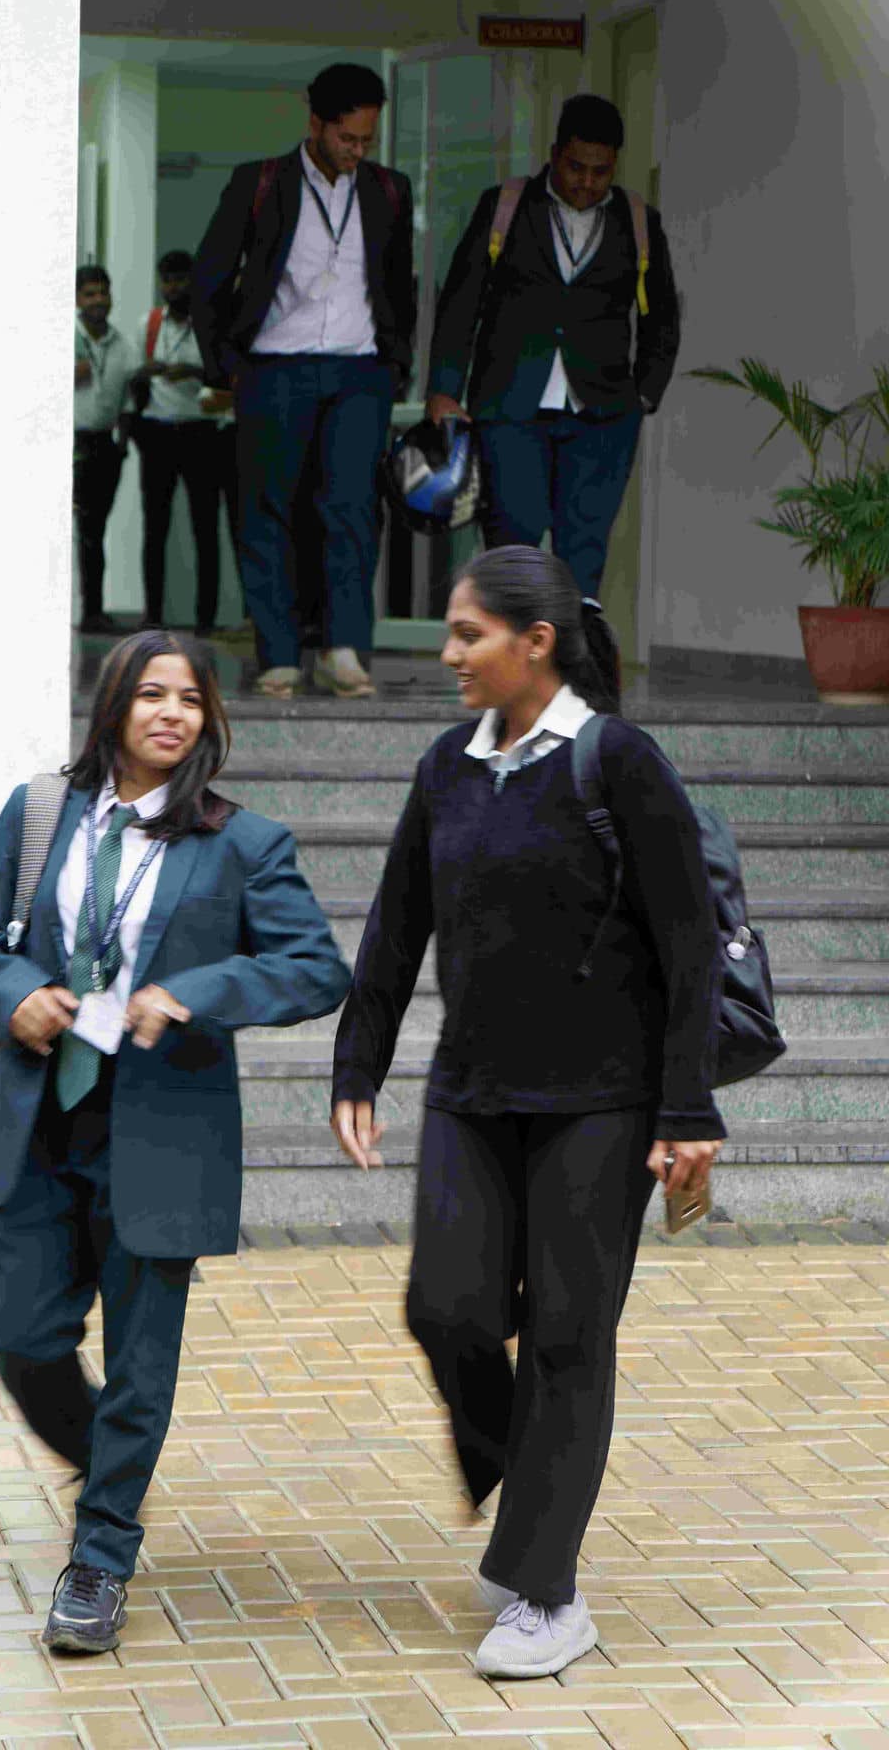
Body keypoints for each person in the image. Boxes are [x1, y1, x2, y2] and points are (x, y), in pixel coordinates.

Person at [330, 546, 723, 1680]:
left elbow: (690, 943)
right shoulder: (448, 767)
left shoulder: (618, 761)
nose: (449, 655)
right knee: (446, 1307)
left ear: (535, 642)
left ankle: (546, 1590)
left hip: (604, 1102)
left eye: (469, 635)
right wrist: (359, 1062)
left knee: (566, 1335)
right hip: (472, 1089)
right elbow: (397, 925)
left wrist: (687, 1106)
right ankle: (532, 1487)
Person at [0, 631, 349, 1655]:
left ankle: (99, 1560)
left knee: (140, 1365)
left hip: (165, 1130)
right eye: (152, 694)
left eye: (191, 699)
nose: (172, 713)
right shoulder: (40, 814)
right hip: (41, 1118)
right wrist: (15, 992)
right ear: (115, 706)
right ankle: (111, 1473)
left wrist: (196, 991)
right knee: (23, 1333)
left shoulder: (244, 843)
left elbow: (316, 969)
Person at [192, 63, 415, 699]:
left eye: (367, 139)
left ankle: (343, 649)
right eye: (347, 137)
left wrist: (397, 365)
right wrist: (226, 367)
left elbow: (400, 285)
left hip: (359, 370)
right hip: (274, 366)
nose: (357, 150)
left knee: (352, 509)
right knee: (267, 510)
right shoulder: (260, 183)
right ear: (315, 122)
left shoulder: (389, 190)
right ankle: (280, 654)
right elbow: (210, 277)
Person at [427, 96, 681, 599]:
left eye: (600, 171)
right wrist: (444, 389)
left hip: (603, 414)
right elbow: (461, 305)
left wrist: (644, 395)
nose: (586, 182)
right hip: (510, 405)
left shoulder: (637, 221)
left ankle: (572, 647)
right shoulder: (505, 207)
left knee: (583, 551)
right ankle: (513, 642)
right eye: (575, 167)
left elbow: (662, 317)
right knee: (513, 540)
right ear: (554, 154)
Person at [130, 252, 226, 634]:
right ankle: (152, 614)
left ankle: (206, 618)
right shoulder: (150, 323)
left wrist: (193, 371)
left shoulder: (211, 324)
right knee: (155, 526)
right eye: (167, 280)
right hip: (157, 430)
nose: (174, 287)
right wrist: (147, 371)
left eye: (181, 279)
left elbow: (224, 376)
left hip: (202, 431)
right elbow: (133, 376)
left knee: (205, 526)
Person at [73, 265, 137, 634]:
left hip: (104, 444)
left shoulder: (123, 345)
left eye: (102, 293)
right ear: (77, 299)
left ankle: (93, 613)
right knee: (67, 528)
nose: (98, 300)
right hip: (68, 443)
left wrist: (122, 444)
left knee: (95, 530)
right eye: (89, 294)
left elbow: (128, 399)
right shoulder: (62, 337)